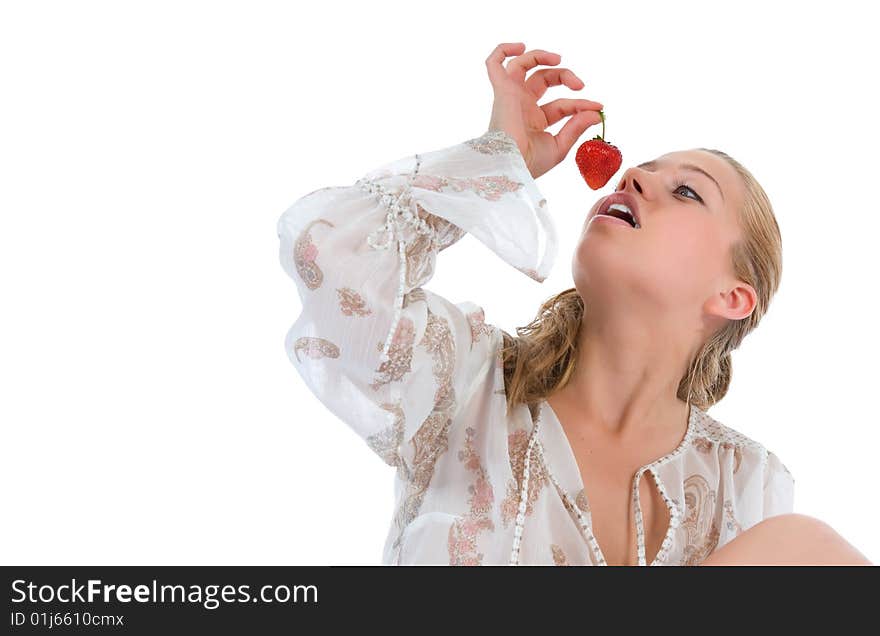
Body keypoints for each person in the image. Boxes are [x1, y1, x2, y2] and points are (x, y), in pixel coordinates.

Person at [277, 42, 871, 566]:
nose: (632, 174)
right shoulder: (464, 386)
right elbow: (327, 251)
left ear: (732, 297)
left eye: (685, 191)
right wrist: (498, 155)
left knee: (807, 548)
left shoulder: (746, 485)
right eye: (645, 170)